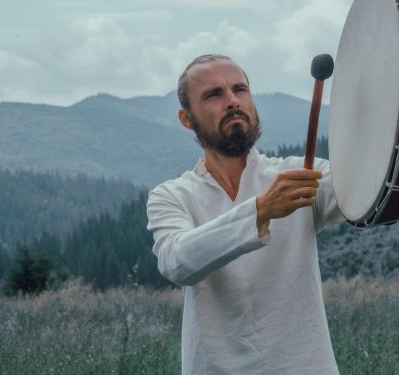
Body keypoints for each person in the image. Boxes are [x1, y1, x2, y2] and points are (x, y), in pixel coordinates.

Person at [146, 54, 344, 374]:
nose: (232, 101)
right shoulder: (172, 196)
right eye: (214, 94)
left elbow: (368, 192)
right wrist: (261, 210)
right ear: (186, 118)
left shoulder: (301, 174)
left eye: (240, 89)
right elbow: (177, 262)